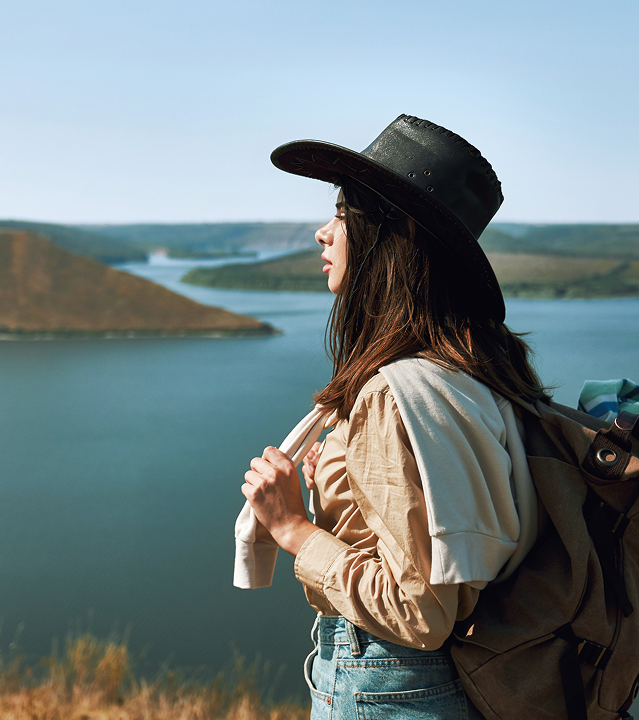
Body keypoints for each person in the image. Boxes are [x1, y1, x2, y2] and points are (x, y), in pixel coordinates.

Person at [237, 114, 551, 719]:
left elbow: (420, 612)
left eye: (340, 214)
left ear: (390, 234)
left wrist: (291, 527)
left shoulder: (393, 394)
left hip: (390, 687)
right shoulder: (472, 370)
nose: (321, 233)